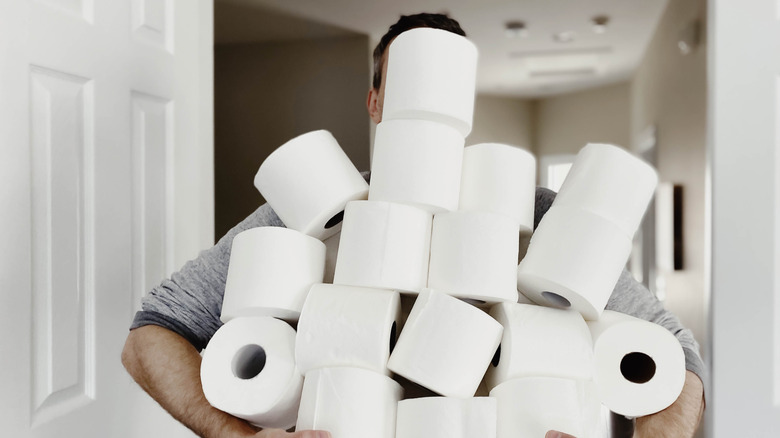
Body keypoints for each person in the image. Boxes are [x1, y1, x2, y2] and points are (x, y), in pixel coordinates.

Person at [122, 13, 705, 438]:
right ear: (376, 101)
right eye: (413, 78)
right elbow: (149, 336)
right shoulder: (308, 211)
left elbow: (676, 360)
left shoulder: (546, 218)